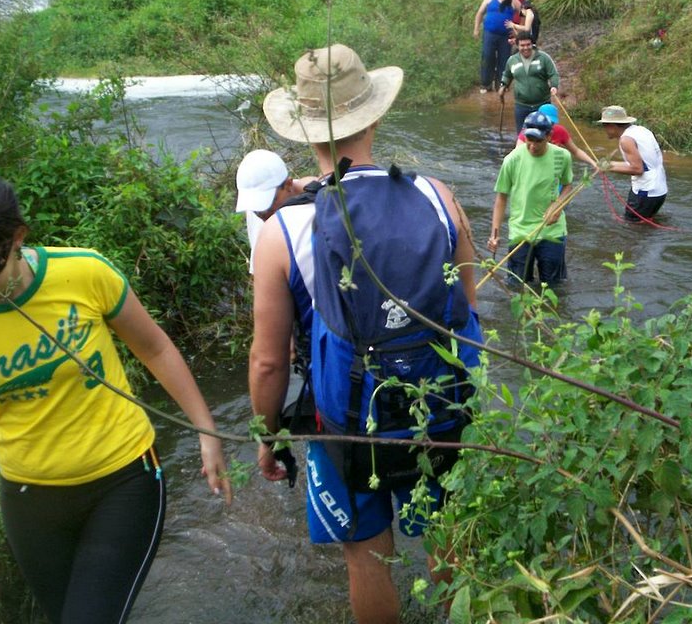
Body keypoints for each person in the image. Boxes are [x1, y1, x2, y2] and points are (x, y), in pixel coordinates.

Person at [0, 165, 231, 624]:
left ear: (17, 237)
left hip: (122, 480)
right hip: (27, 499)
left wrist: (205, 430)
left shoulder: (83, 272)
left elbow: (154, 348)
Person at [257, 44, 482, 624]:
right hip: (438, 408)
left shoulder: (284, 230)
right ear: (374, 116)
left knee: (367, 558)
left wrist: (268, 434)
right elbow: (468, 311)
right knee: (447, 537)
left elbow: (267, 364)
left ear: (303, 132)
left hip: (350, 424)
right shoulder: (438, 195)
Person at [488, 111, 574, 286]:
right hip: (521, 231)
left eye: (538, 140)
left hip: (553, 231)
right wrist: (494, 234)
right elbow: (501, 198)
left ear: (549, 136)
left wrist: (558, 205)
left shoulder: (562, 156)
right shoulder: (512, 160)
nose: (533, 145)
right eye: (529, 139)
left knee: (553, 286)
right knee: (517, 285)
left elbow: (568, 186)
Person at [235, 149, 308, 273]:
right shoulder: (257, 213)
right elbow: (260, 273)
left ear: (288, 185)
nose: (262, 214)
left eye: (268, 204)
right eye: (255, 208)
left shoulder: (317, 203)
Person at [596, 105, 668, 221]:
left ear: (612, 126)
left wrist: (609, 167)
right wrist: (610, 164)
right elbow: (644, 164)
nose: (604, 129)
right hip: (659, 190)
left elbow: (637, 169)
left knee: (632, 228)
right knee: (645, 224)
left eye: (605, 126)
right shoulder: (641, 130)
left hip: (645, 192)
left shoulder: (626, 140)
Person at [498, 33, 561, 133]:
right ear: (517, 46)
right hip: (521, 105)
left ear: (532, 44)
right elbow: (507, 75)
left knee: (544, 133)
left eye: (528, 45)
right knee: (522, 135)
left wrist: (554, 86)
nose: (526, 48)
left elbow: (553, 74)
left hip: (542, 104)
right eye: (522, 45)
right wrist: (503, 85)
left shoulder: (543, 58)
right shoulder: (512, 60)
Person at [516, 103, 597, 170]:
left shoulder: (560, 131)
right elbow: (517, 155)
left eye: (552, 122)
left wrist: (593, 163)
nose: (550, 125)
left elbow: (576, 151)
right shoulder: (528, 133)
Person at [473, 0, 520, 93]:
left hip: (505, 36)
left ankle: (501, 85)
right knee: (487, 57)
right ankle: (485, 84)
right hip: (490, 33)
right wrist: (476, 28)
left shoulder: (514, 1)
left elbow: (523, 13)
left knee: (504, 60)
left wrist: (517, 29)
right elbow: (480, 13)